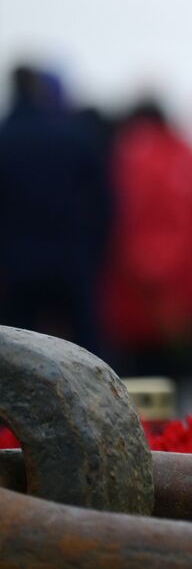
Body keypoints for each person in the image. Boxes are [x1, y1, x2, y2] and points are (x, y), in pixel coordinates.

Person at [0, 63, 113, 354]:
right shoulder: (75, 137)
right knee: (89, 358)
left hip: (16, 268)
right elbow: (104, 206)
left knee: (14, 361)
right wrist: (93, 256)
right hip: (71, 263)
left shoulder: (6, 138)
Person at [103, 97, 192, 382]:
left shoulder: (127, 157)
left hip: (138, 302)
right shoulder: (187, 157)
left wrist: (149, 270)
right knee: (171, 394)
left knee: (137, 393)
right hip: (178, 305)